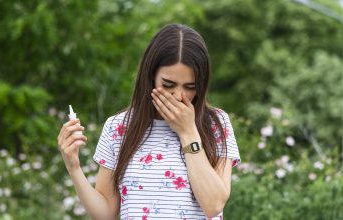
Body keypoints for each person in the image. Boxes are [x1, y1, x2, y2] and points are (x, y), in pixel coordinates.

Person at [57, 24, 241, 220]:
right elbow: (106, 214)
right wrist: (73, 167)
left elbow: (214, 205)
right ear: (151, 76)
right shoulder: (119, 127)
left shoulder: (216, 124)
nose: (179, 96)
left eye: (190, 87)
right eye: (168, 84)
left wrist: (187, 131)